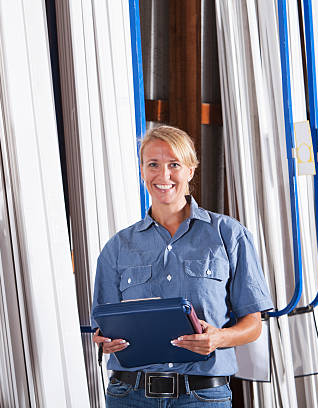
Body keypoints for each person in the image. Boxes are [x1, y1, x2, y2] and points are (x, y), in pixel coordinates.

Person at [91, 125, 273, 407]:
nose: (163, 175)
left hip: (201, 397)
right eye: (153, 164)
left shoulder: (228, 235)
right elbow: (104, 327)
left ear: (190, 170)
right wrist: (106, 341)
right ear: (142, 171)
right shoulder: (117, 247)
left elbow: (253, 325)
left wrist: (219, 338)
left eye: (174, 164)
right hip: (129, 396)